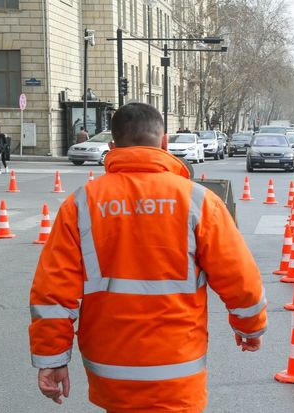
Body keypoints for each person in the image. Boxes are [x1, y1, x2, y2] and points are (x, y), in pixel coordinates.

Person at [28, 102, 267, 412]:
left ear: (112, 146)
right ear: (164, 142)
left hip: (110, 370)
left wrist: (53, 358)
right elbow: (239, 277)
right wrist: (249, 327)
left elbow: (53, 291)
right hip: (178, 368)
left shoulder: (82, 204)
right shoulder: (198, 201)